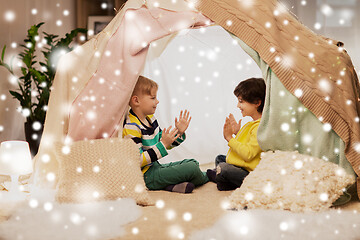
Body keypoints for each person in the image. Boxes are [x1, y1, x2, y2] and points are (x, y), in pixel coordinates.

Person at [123, 75, 209, 194]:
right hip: (145, 177)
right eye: (153, 98)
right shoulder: (131, 127)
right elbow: (136, 160)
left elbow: (165, 143)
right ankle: (209, 176)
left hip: (155, 167)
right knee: (192, 168)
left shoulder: (150, 119)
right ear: (136, 100)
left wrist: (179, 132)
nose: (157, 101)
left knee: (192, 162)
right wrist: (163, 144)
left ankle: (171, 186)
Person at [207, 77, 266, 191]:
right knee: (220, 158)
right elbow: (248, 145)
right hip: (243, 166)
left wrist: (229, 138)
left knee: (224, 168)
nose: (238, 106)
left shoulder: (260, 127)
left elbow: (248, 154)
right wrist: (237, 133)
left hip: (250, 173)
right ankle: (222, 179)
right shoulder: (252, 124)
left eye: (241, 101)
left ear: (257, 102)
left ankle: (221, 179)